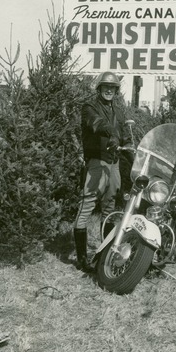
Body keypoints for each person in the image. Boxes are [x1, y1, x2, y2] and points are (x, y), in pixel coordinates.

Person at [73, 71, 132, 273]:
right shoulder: (89, 107)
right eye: (105, 87)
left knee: (109, 210)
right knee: (87, 207)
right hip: (97, 163)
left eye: (112, 87)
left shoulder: (119, 112)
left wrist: (136, 161)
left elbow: (125, 139)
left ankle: (103, 255)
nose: (109, 90)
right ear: (99, 88)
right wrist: (111, 133)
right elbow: (96, 123)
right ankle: (82, 259)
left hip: (114, 165)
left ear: (116, 90)